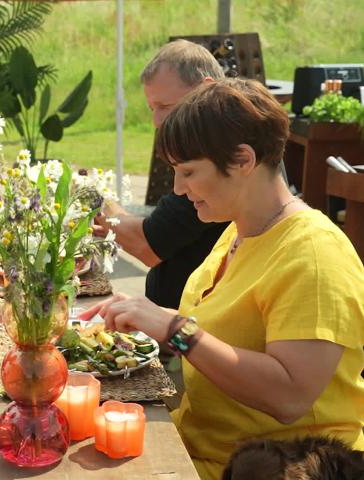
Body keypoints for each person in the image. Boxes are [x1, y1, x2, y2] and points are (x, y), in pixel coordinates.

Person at [83, 78, 364, 480]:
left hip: (266, 468)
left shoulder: (314, 255)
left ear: (243, 160)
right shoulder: (238, 231)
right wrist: (147, 317)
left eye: (188, 173)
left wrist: (177, 331)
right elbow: (221, 335)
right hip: (196, 446)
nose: (179, 189)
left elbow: (290, 395)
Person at [95, 40, 228, 309]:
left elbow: (150, 244)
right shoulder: (206, 147)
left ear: (206, 88)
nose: (156, 121)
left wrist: (94, 202)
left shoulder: (217, 154)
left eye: (165, 106)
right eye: (151, 108)